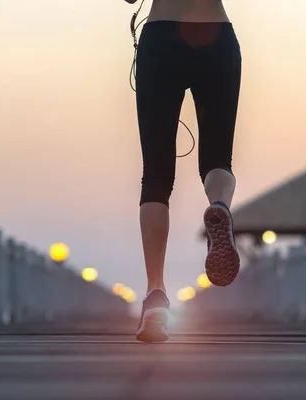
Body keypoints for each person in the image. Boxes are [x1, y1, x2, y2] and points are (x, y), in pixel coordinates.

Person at [126, 0, 242, 343]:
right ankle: (219, 206)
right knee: (218, 159)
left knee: (157, 177)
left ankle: (155, 298)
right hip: (217, 36)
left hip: (162, 39)